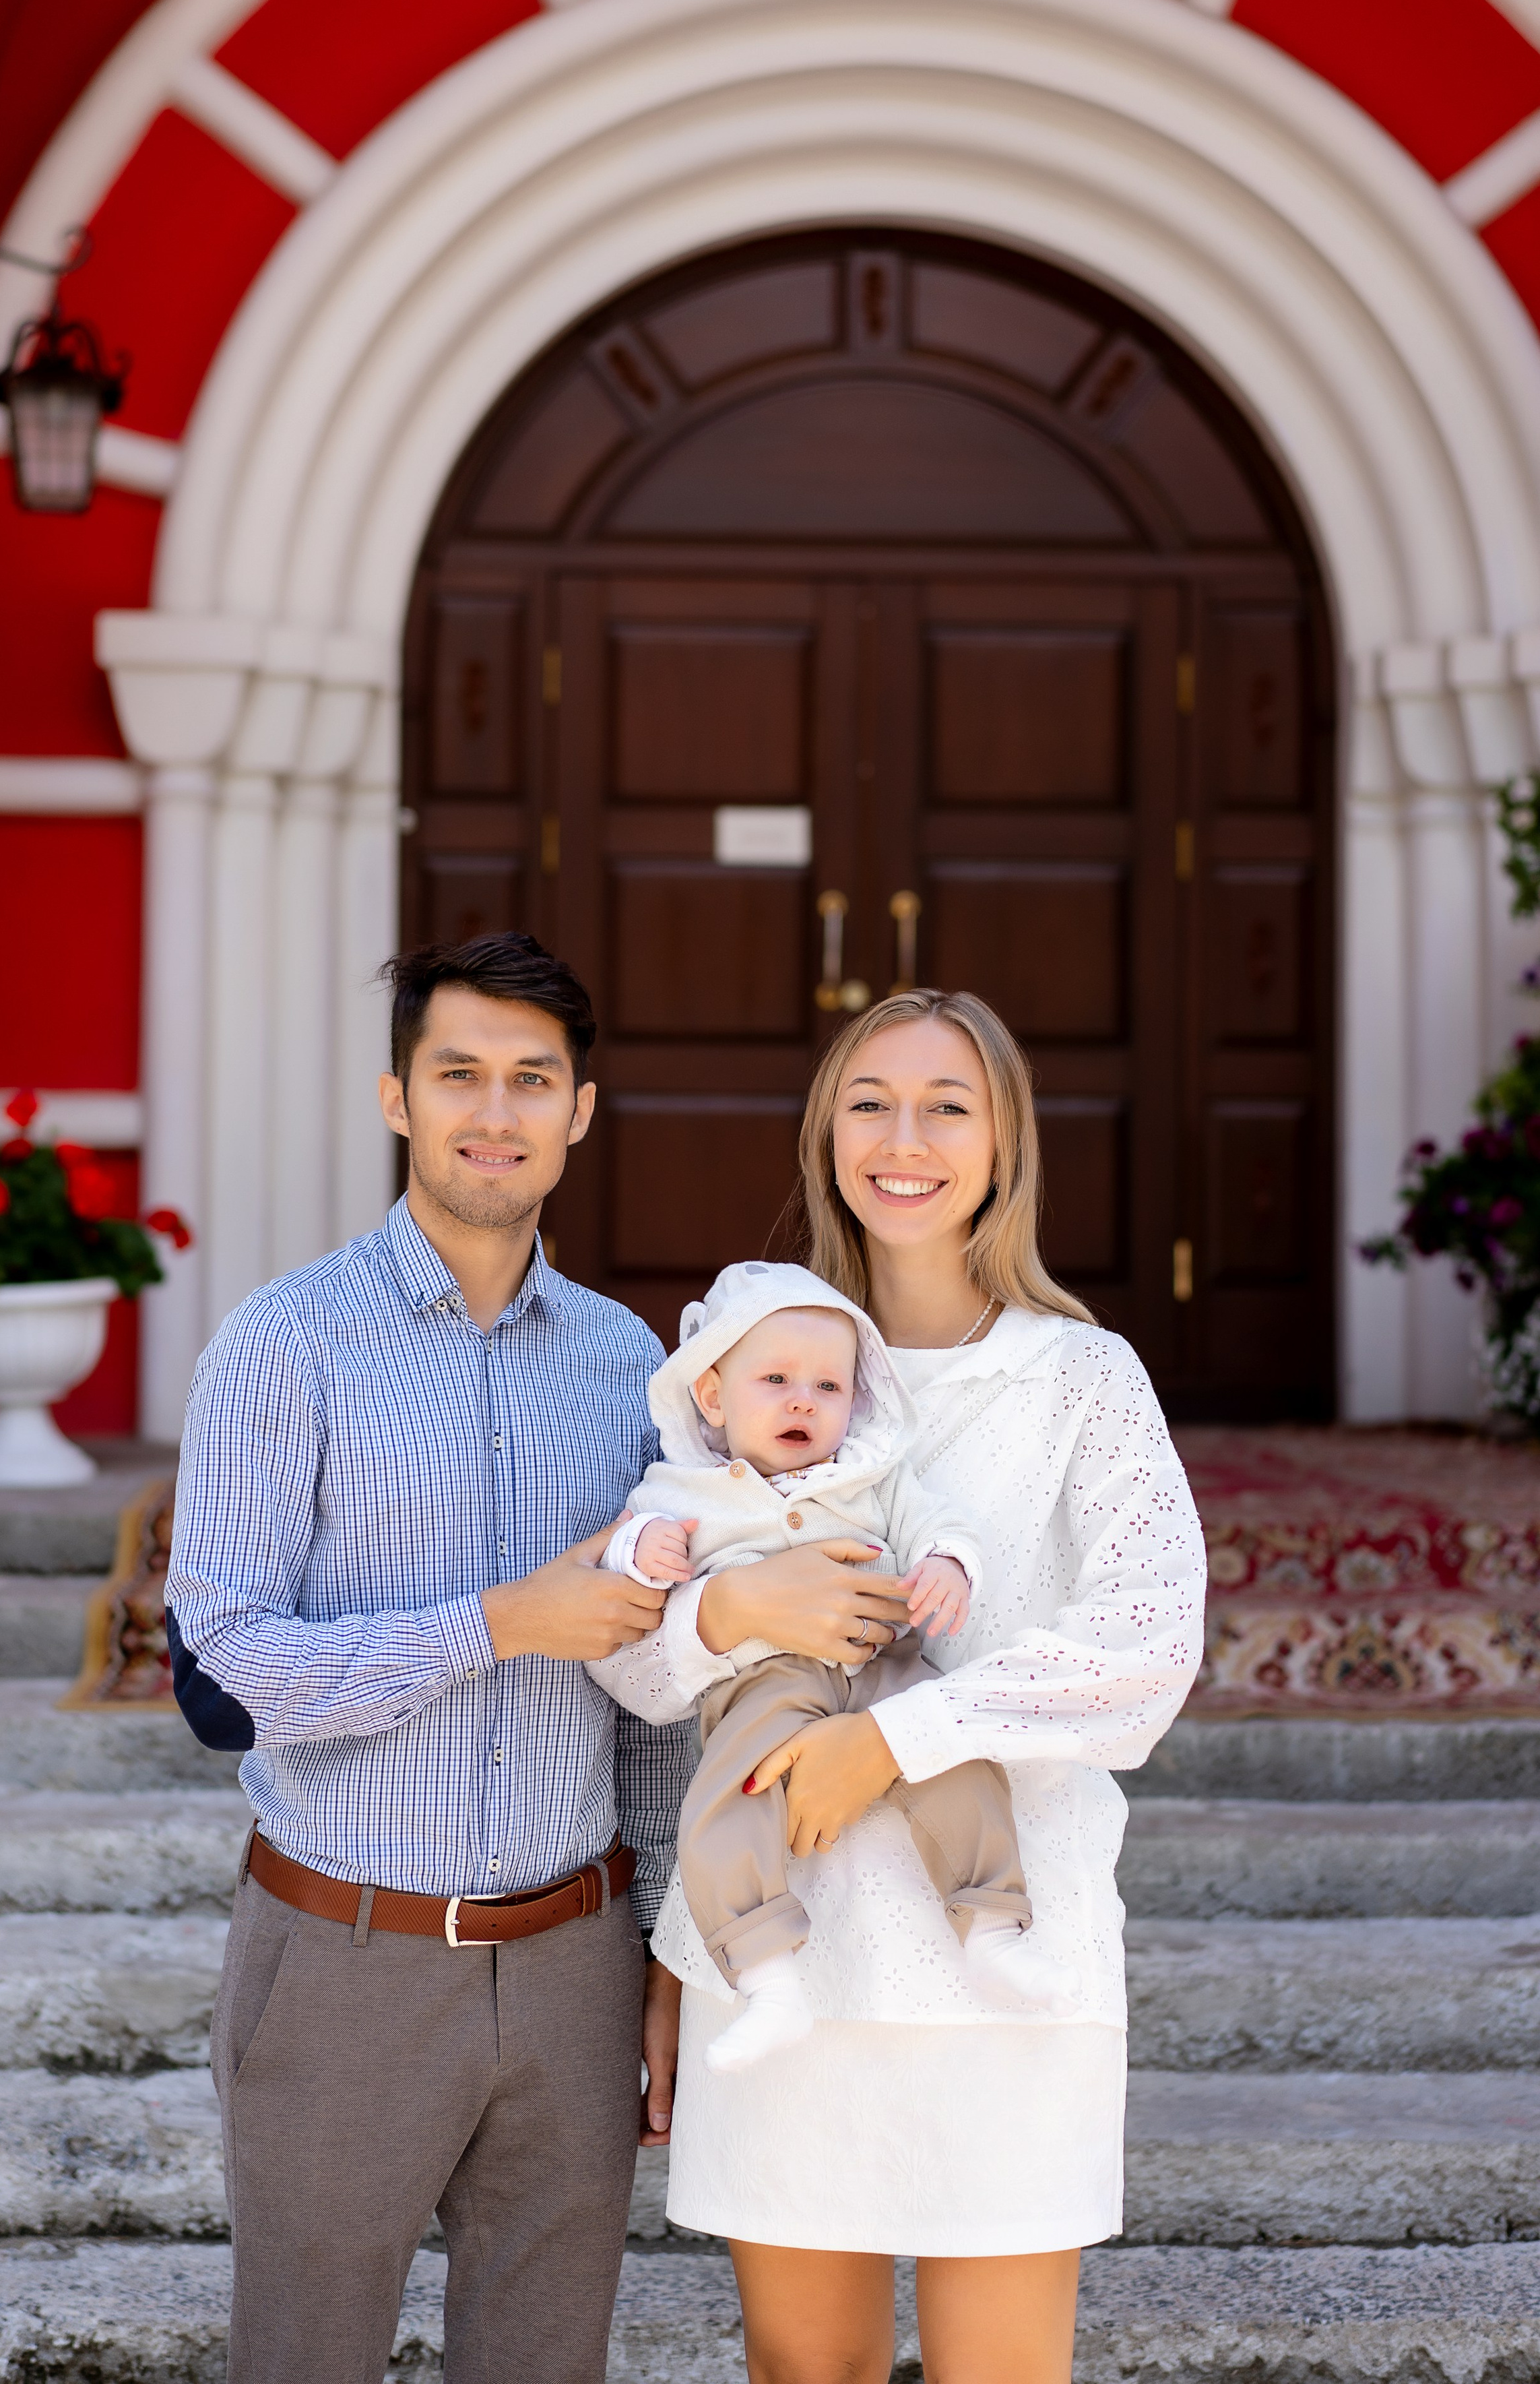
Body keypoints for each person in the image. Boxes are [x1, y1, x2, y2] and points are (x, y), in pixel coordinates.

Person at [591, 987, 1208, 2384]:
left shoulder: (1078, 1380)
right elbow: (631, 1673)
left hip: (1008, 1970)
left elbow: (1149, 1641)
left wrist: (895, 1742)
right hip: (784, 1969)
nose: (903, 1138)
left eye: (947, 1105)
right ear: (823, 1140)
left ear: (1003, 1145)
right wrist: (726, 1611)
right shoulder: (742, 1378)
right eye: (867, 1102)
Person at [164, 931, 692, 2384]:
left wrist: (664, 1955)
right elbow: (234, 1658)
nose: (494, 1111)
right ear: (396, 1096)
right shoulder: (282, 1346)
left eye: (533, 1080)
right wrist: (497, 1626)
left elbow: (655, 1696)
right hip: (346, 1958)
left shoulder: (627, 1365)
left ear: (579, 1110)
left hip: (577, 1962)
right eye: (458, 1073)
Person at [598, 1258, 1079, 2073]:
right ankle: (766, 1972)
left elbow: (938, 1520)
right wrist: (642, 1552)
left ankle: (993, 1921)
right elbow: (624, 1560)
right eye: (775, 1379)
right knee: (728, 1797)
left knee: (954, 1758)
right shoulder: (682, 1487)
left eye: (827, 1387)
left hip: (886, 1664)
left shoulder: (872, 1475)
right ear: (713, 1395)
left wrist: (947, 1565)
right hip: (767, 1683)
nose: (801, 1401)